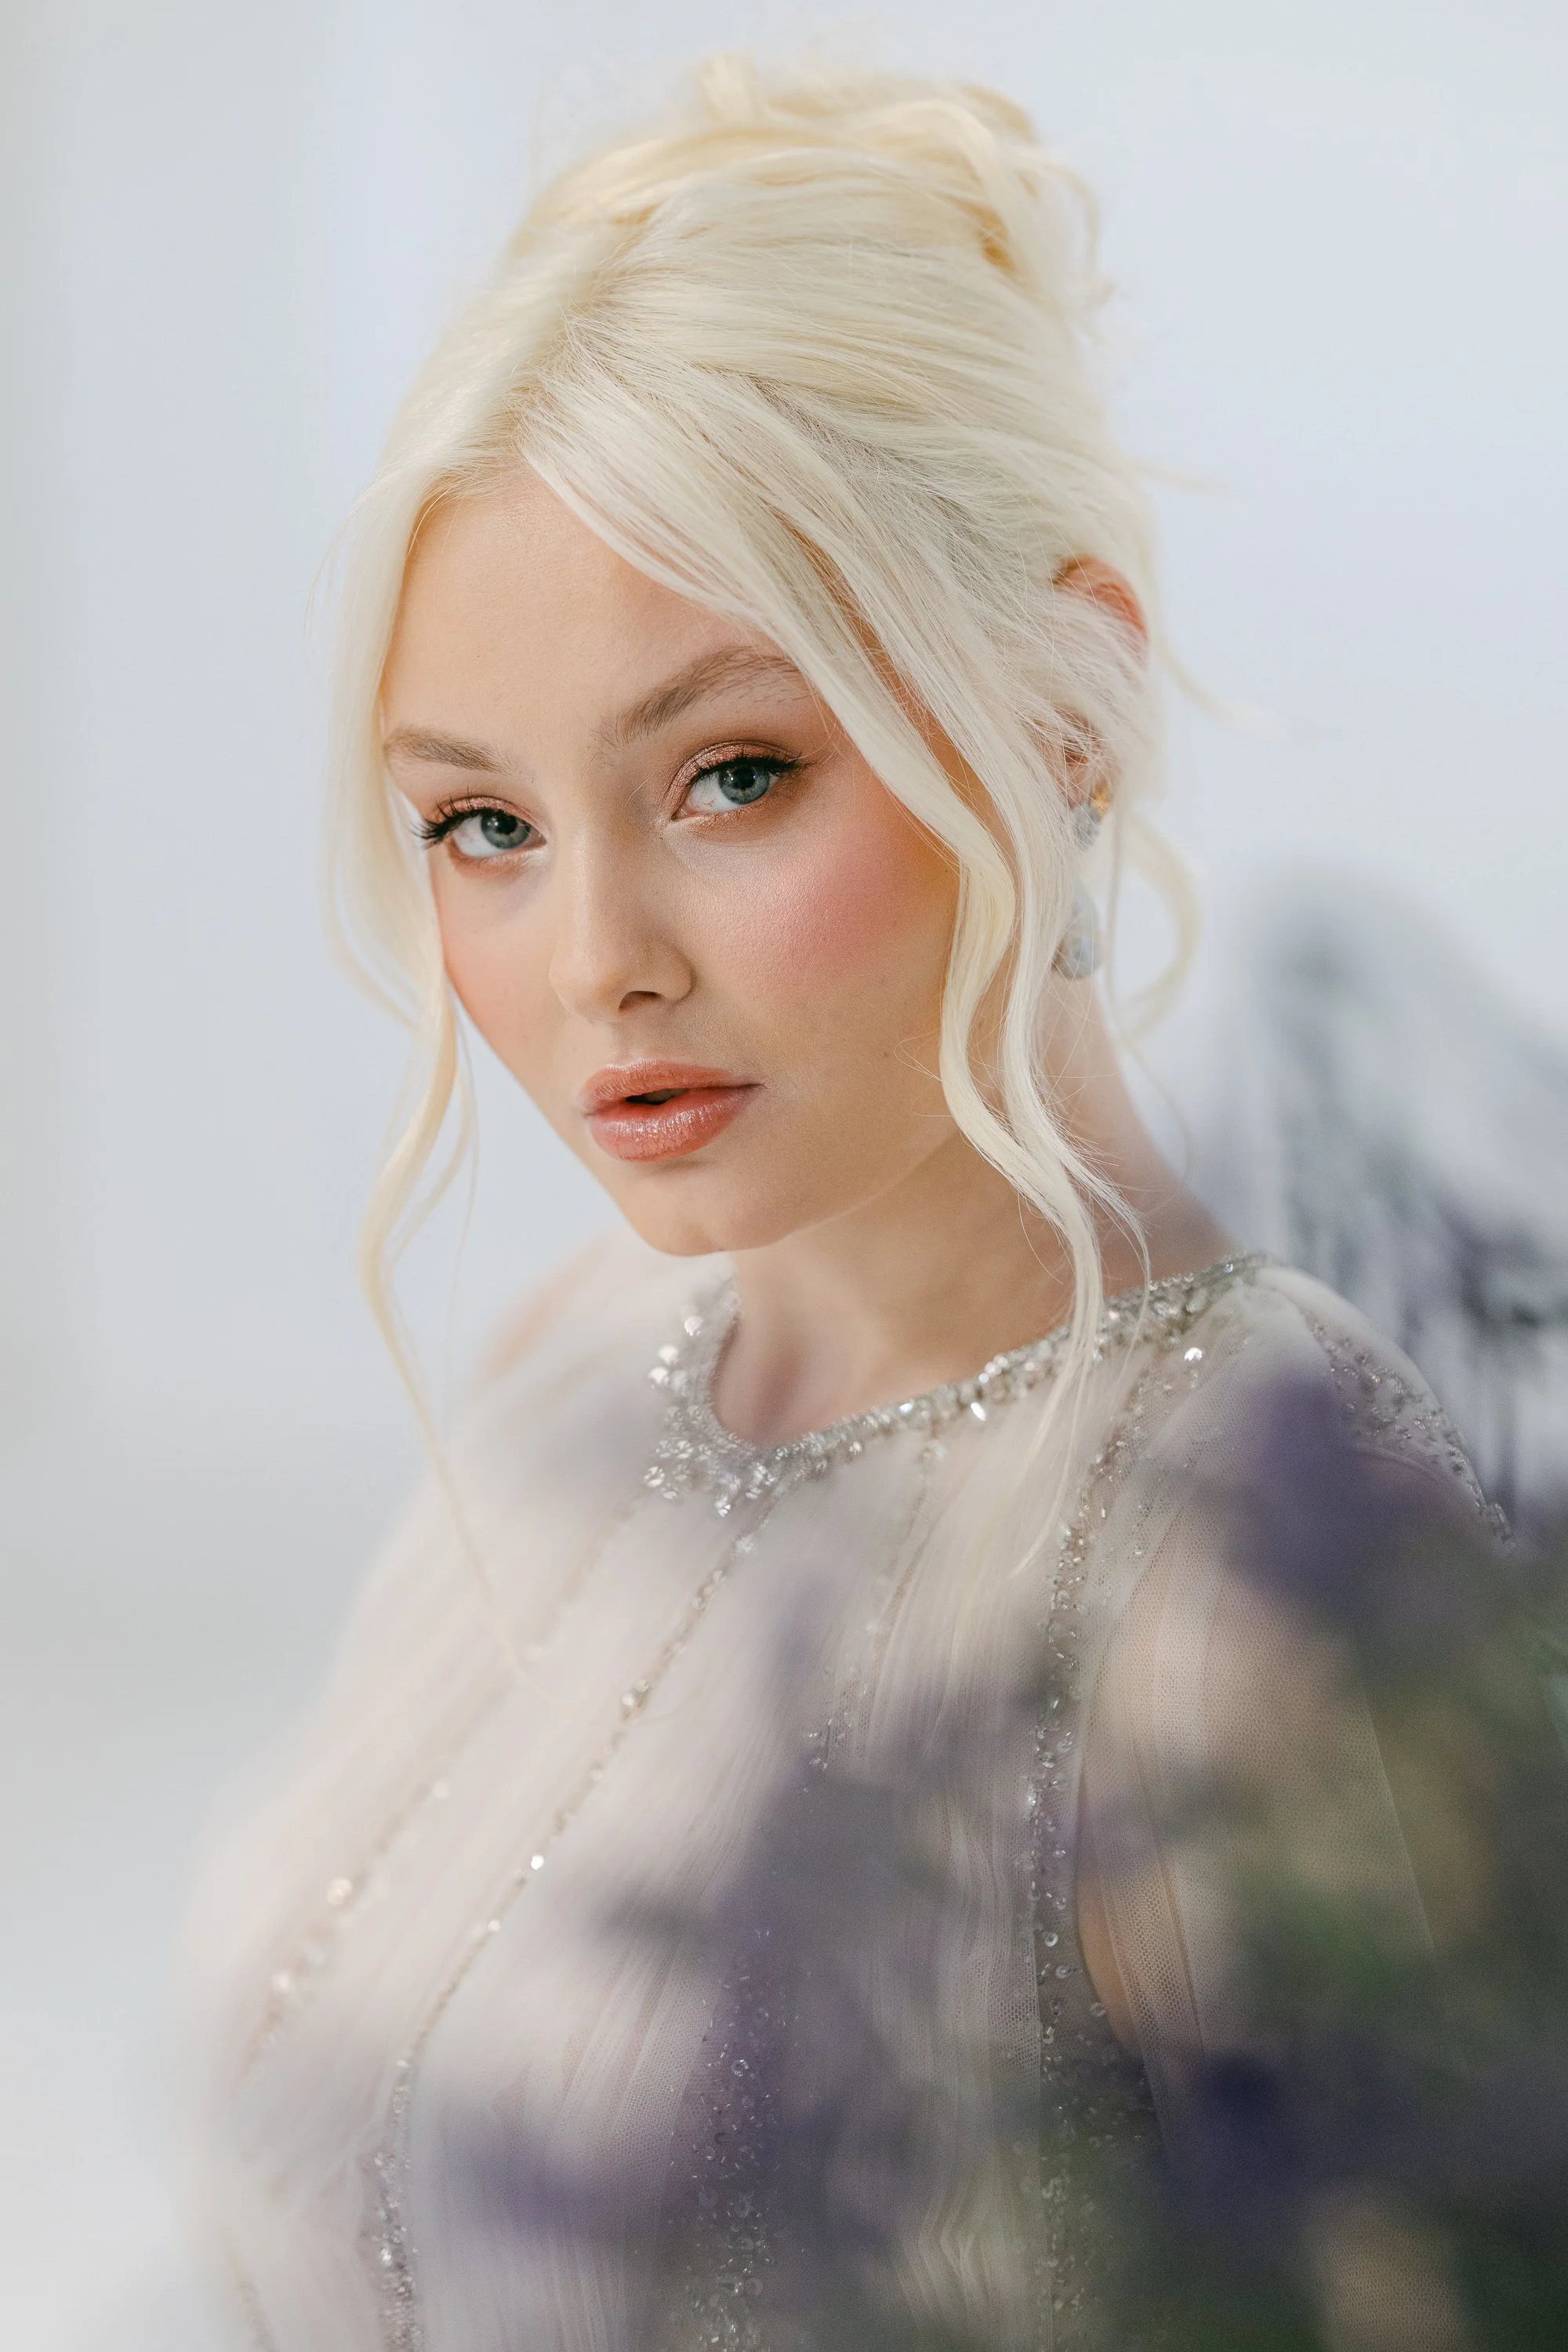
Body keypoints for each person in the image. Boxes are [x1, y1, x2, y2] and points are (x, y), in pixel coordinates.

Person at [177, 57, 1495, 2352]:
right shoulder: (579, 1372)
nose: (596, 961)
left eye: (732, 774)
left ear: (1069, 700)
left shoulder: (1267, 1572)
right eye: (480, 824)